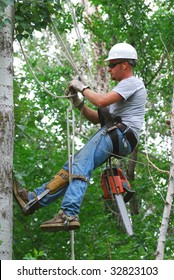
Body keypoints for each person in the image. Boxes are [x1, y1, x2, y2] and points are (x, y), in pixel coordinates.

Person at [13, 42, 147, 232]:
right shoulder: (120, 94)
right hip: (116, 135)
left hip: (120, 134)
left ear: (125, 65)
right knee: (72, 167)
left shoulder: (132, 83)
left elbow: (100, 100)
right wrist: (78, 103)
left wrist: (82, 87)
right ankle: (34, 200)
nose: (108, 69)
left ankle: (69, 214)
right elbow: (96, 118)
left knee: (81, 166)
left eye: (112, 65)